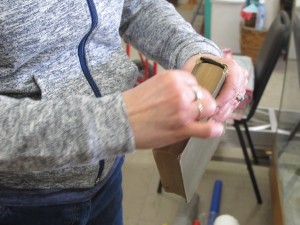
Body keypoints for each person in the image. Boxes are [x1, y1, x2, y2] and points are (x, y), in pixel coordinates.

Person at [0, 0, 247, 224]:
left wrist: (194, 50)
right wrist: (114, 122)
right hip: (20, 201)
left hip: (107, 176)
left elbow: (136, 6)